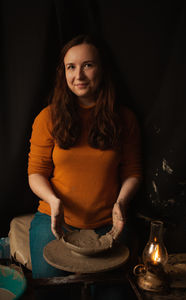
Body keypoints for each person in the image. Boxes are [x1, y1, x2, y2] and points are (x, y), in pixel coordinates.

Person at [28, 34, 142, 299]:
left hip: (108, 224)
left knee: (114, 294)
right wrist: (53, 201)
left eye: (88, 65)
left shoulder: (124, 119)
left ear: (102, 69)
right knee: (53, 293)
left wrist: (121, 203)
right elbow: (36, 173)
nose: (79, 75)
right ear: (63, 72)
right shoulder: (48, 118)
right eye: (71, 67)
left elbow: (133, 172)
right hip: (53, 220)